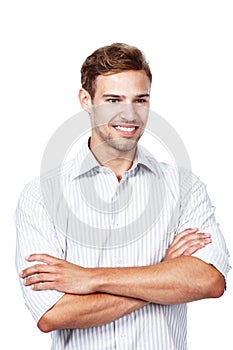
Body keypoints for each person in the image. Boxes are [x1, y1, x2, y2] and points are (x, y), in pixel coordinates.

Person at [15, 43, 230, 350]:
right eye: (113, 99)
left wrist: (91, 279)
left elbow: (209, 281)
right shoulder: (41, 196)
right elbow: (52, 313)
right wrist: (164, 273)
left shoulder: (185, 188)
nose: (129, 114)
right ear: (86, 100)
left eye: (140, 100)